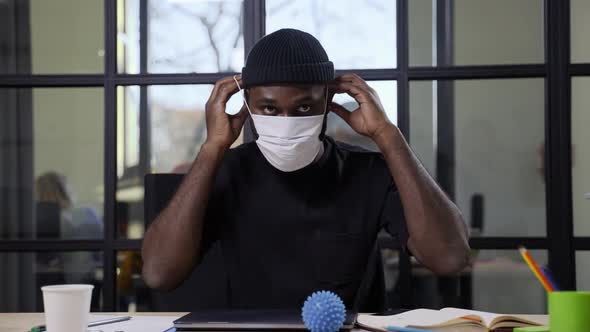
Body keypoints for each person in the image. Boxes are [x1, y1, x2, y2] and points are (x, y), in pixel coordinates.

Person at [141, 29, 470, 309]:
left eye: (304, 107)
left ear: (328, 102)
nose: (286, 122)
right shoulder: (225, 172)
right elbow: (159, 274)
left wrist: (387, 134)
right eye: (269, 107)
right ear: (247, 105)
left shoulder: (368, 171)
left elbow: (450, 258)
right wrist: (212, 148)